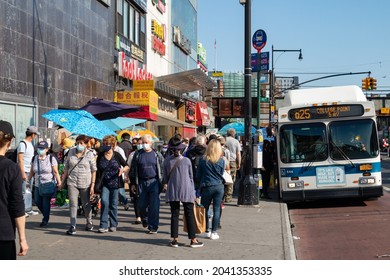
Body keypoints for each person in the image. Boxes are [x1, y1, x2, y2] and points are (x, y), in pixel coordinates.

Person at [162, 136, 204, 248]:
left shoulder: (166, 161)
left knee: (174, 214)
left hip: (172, 190)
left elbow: (165, 178)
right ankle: (193, 240)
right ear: (180, 149)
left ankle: (175, 240)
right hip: (186, 189)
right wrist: (193, 192)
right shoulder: (187, 160)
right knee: (189, 214)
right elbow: (191, 177)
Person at [0, 121, 29, 259]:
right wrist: (22, 238)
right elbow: (17, 205)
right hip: (3, 234)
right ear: (10, 141)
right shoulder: (11, 168)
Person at [129, 134, 164, 234]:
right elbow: (133, 170)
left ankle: (153, 226)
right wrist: (132, 183)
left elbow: (162, 168)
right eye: (143, 143)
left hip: (154, 182)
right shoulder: (137, 154)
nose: (144, 145)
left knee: (154, 205)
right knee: (141, 204)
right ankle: (145, 218)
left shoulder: (157, 154)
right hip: (141, 182)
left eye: (146, 143)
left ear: (151, 143)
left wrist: (163, 182)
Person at [62, 135, 97, 235]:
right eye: (77, 143)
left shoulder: (90, 154)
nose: (79, 145)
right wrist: (62, 181)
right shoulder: (71, 152)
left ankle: (89, 221)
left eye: (81, 143)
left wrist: (93, 185)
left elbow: (94, 170)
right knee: (73, 204)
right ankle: (72, 226)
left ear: (86, 144)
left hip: (85, 183)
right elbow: (66, 167)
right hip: (72, 182)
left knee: (86, 204)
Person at [96, 135, 129, 233]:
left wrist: (122, 170)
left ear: (113, 145)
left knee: (114, 204)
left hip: (115, 183)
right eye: (105, 144)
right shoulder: (101, 155)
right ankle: (103, 225)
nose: (106, 146)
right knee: (105, 202)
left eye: (108, 144)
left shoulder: (117, 155)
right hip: (104, 183)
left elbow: (126, 166)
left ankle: (113, 224)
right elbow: (97, 170)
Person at [27, 141, 62, 227]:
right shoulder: (34, 158)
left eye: (42, 148)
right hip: (37, 184)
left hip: (48, 184)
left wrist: (59, 182)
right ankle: (46, 213)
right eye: (39, 148)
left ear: (47, 149)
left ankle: (45, 219)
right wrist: (28, 181)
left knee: (46, 202)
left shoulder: (51, 158)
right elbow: (32, 171)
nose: (40, 150)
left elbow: (55, 171)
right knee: (37, 201)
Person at [197, 139, 225, 240]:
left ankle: (207, 230)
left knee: (205, 208)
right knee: (217, 209)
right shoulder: (221, 160)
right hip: (219, 186)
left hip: (207, 186)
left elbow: (198, 175)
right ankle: (214, 232)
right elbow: (221, 173)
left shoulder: (202, 160)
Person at [17, 125, 40, 217]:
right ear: (33, 134)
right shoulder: (23, 144)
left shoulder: (30, 144)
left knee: (28, 190)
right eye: (35, 134)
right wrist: (22, 173)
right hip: (24, 171)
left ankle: (28, 208)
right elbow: (20, 160)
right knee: (23, 191)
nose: (36, 136)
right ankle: (23, 210)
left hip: (29, 171)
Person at [127, 137, 142, 224]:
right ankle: (138, 216)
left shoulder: (151, 153)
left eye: (141, 143)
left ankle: (144, 214)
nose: (139, 145)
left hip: (144, 179)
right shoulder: (132, 154)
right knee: (136, 198)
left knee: (144, 198)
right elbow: (128, 165)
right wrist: (126, 176)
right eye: (138, 143)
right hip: (134, 179)